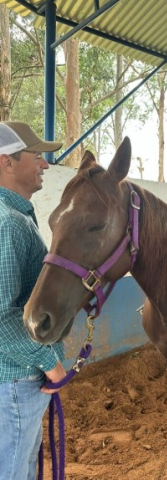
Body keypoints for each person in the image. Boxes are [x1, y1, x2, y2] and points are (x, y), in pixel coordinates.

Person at [0, 121, 66, 480]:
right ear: (6, 163)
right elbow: (0, 316)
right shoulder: (7, 222)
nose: (45, 164)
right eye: (37, 155)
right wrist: (50, 362)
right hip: (14, 381)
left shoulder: (17, 217)